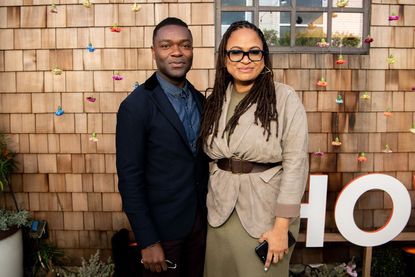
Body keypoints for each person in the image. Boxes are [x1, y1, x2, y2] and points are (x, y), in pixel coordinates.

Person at [199, 21, 309, 277]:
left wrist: (281, 227)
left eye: (254, 51)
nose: (245, 59)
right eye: (236, 51)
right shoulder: (215, 100)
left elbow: (296, 164)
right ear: (225, 58)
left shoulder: (283, 98)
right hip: (220, 211)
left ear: (264, 56)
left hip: (266, 215)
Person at [116, 17, 209, 277]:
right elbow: (129, 179)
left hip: (199, 226)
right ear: (154, 52)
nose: (177, 52)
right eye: (166, 45)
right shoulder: (136, 106)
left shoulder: (200, 100)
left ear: (192, 50)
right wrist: (147, 240)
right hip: (162, 232)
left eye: (185, 45)